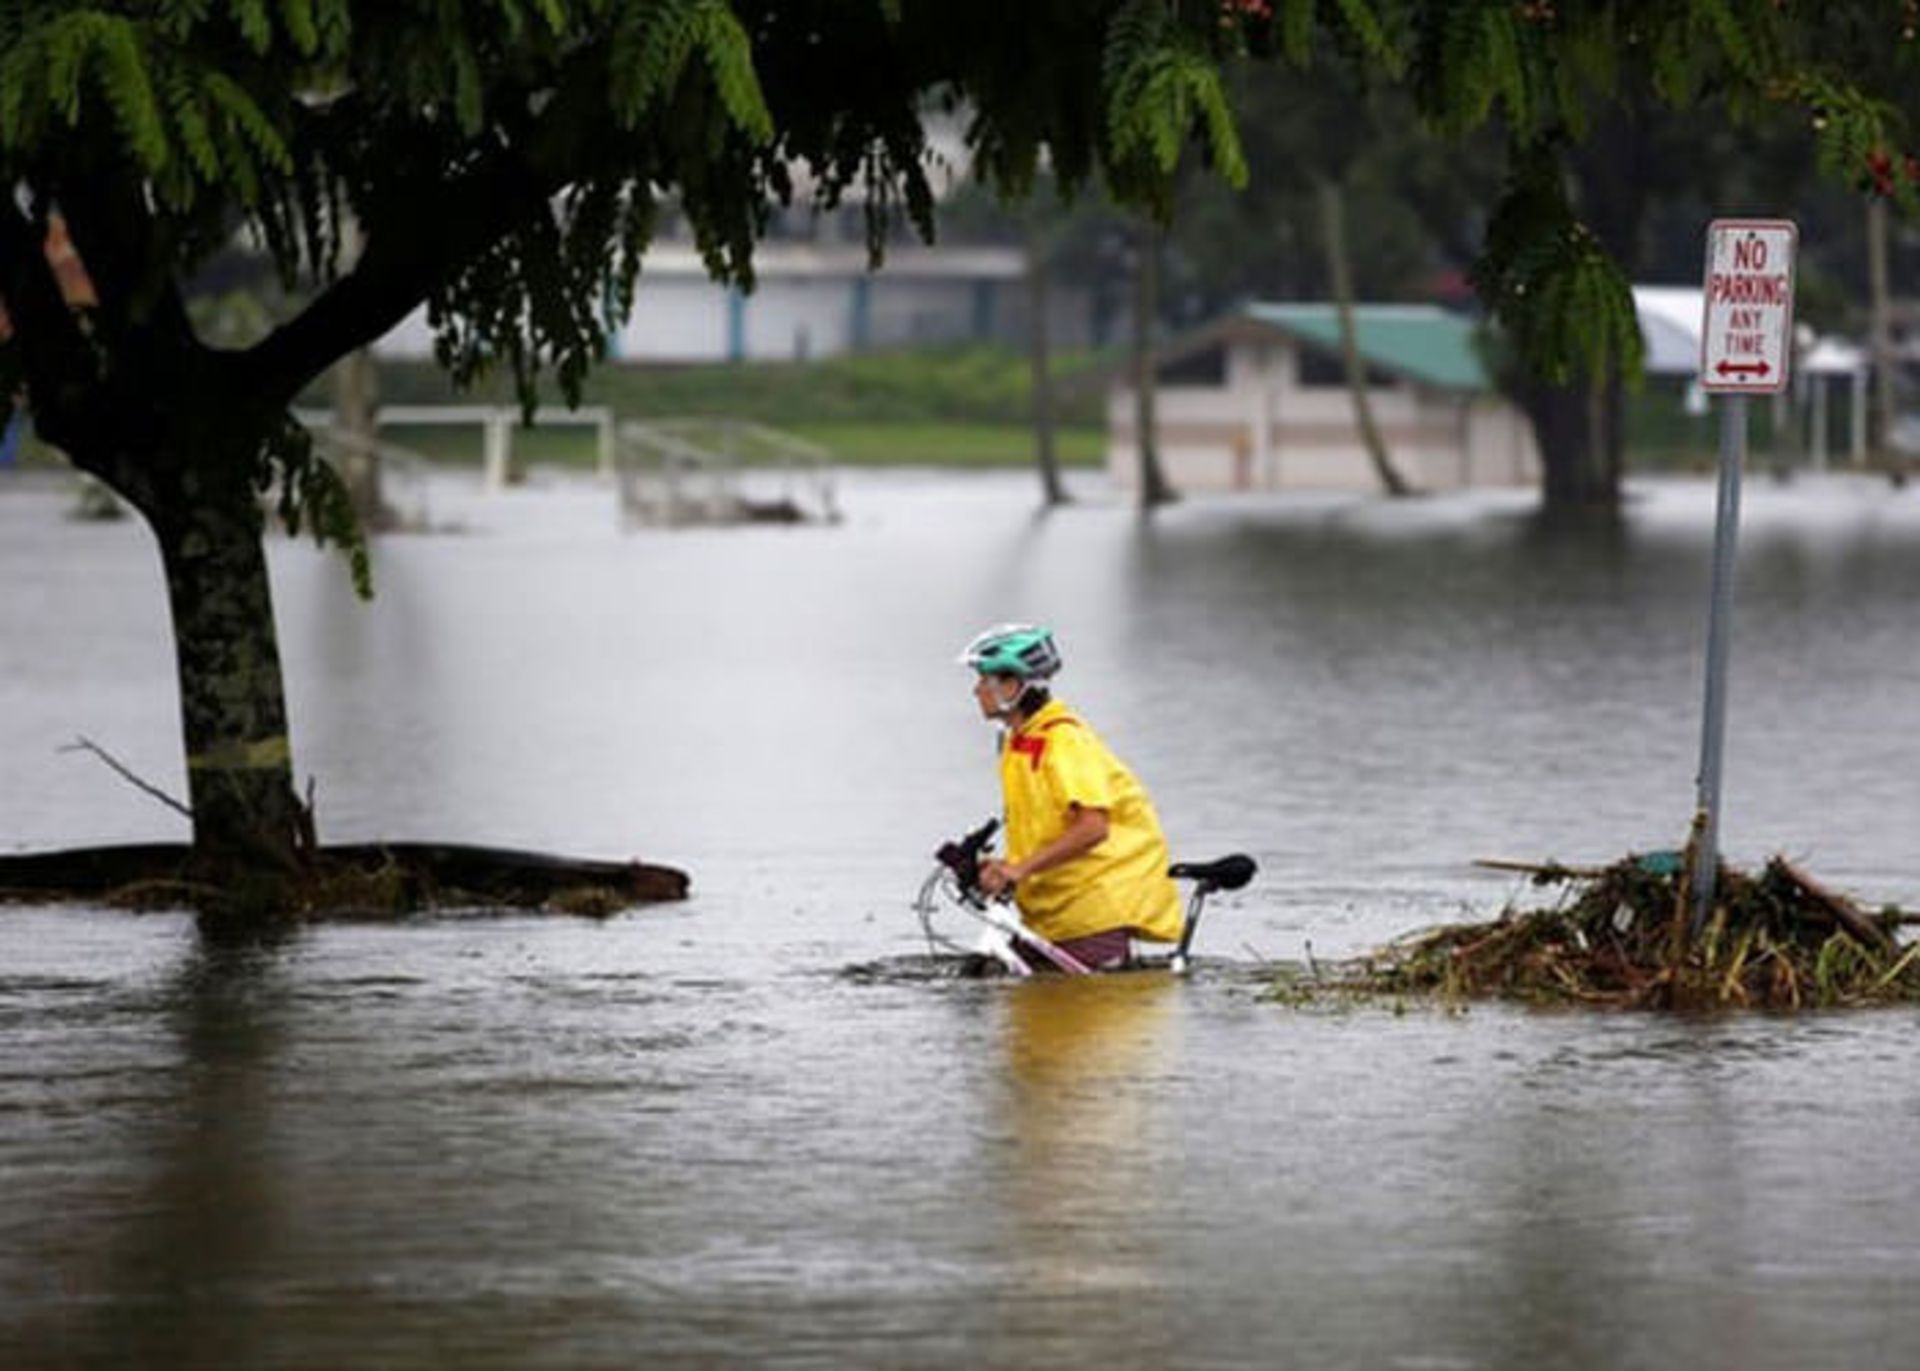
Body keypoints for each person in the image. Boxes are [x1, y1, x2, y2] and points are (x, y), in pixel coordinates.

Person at [958, 623, 1184, 971]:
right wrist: (1003, 866)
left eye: (984, 679)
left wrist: (1020, 869)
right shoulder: (1018, 741)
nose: (976, 690)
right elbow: (1047, 827)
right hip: (1053, 912)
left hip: (1092, 911)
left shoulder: (1064, 741)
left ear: (1013, 685)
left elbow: (1093, 828)